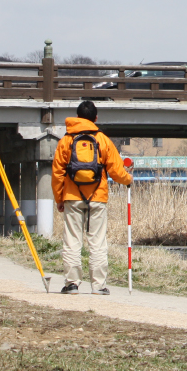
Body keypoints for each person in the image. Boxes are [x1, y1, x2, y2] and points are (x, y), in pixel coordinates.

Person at [52, 99, 132, 295]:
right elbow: (116, 170)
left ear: (77, 117)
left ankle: (72, 283)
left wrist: (59, 199)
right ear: (96, 118)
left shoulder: (66, 141)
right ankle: (98, 285)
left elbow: (57, 173)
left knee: (72, 240)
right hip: (98, 197)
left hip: (72, 196)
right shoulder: (103, 140)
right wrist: (128, 178)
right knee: (97, 241)